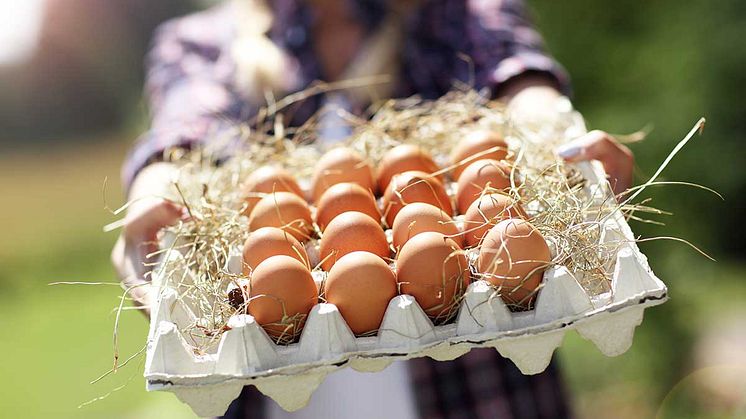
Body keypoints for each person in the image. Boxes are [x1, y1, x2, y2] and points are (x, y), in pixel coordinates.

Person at [112, 1, 634, 418]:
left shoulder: (455, 15)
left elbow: (517, 78)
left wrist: (552, 126)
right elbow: (181, 139)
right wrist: (155, 188)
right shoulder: (202, 47)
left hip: (474, 390)